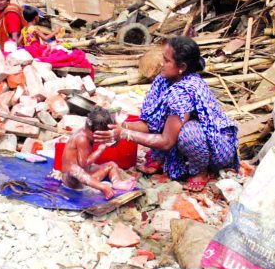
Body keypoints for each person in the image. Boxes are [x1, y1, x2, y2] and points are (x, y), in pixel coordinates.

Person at [93, 36, 238, 192]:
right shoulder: (164, 80)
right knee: (169, 123)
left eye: (167, 60)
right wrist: (121, 125)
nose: (161, 63)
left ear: (182, 67)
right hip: (178, 132)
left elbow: (167, 141)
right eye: (163, 57)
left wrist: (124, 134)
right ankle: (164, 159)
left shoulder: (184, 91)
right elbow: (152, 123)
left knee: (189, 134)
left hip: (214, 146)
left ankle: (200, 171)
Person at [62, 107, 137, 199]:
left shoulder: (90, 134)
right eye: (101, 135)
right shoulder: (82, 139)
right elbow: (84, 163)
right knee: (75, 169)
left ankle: (118, 182)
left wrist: (113, 140)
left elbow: (112, 144)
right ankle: (102, 187)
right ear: (95, 132)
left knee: (112, 165)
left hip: (87, 176)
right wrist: (100, 149)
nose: (100, 138)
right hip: (73, 180)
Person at [19, 6, 94, 77]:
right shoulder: (34, 28)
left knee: (49, 46)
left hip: (28, 50)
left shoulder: (23, 29)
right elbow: (46, 38)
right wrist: (56, 31)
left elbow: (19, 41)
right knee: (55, 50)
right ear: (36, 18)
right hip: (36, 50)